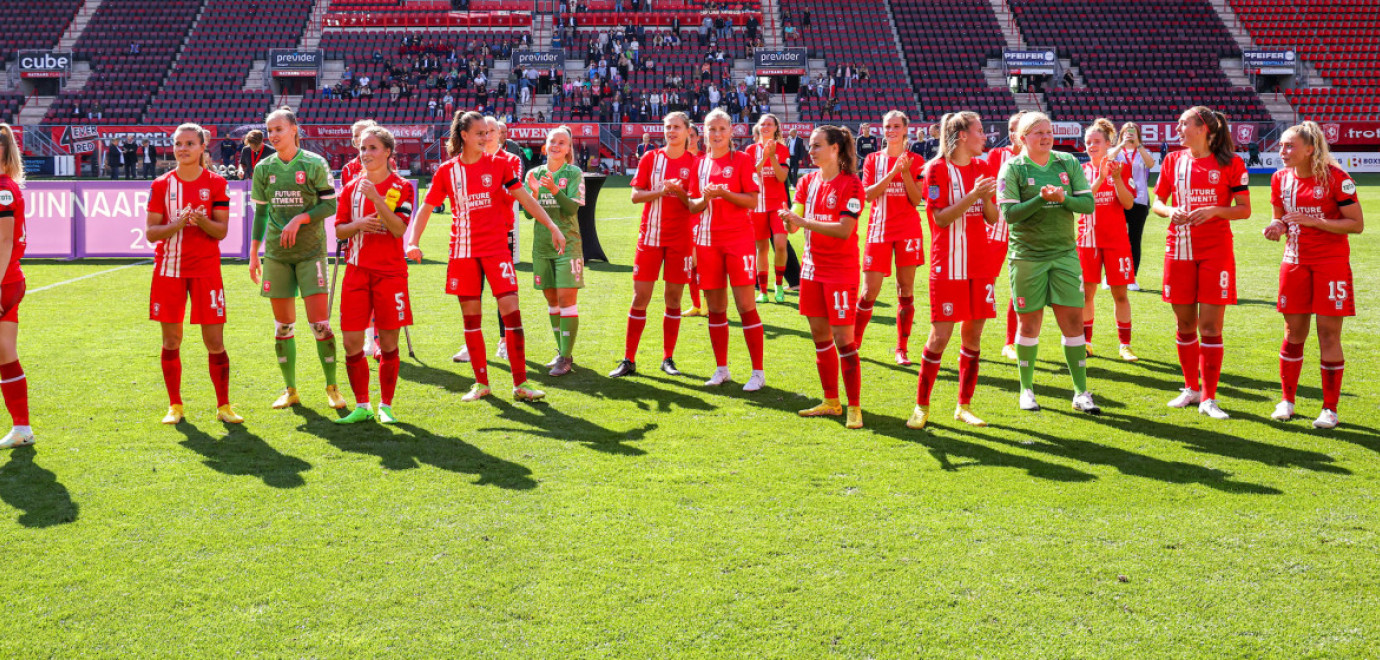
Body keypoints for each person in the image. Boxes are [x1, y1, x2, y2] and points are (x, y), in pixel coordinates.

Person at [406, 111, 566, 402]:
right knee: (472, 320)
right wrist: (413, 241)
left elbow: (525, 198)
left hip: (496, 249)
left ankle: (520, 385)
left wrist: (552, 225)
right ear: (464, 136)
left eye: (488, 133)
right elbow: (426, 208)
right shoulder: (446, 171)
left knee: (512, 312)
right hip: (463, 253)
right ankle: (482, 384)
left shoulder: (500, 165)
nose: (486, 137)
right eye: (480, 133)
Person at [1150, 106, 1251, 420]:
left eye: (1184, 123)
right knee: (1184, 324)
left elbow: (1244, 209)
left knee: (1210, 327)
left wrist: (1216, 211)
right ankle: (1191, 389)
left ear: (1204, 128)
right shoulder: (1172, 161)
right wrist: (1170, 212)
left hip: (1215, 252)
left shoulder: (1231, 162)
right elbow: (1157, 202)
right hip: (1178, 250)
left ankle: (1209, 397)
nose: (1178, 128)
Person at [997, 112, 1100, 414]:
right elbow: (1010, 215)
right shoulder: (1012, 168)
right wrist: (1041, 200)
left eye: (1049, 130)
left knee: (1073, 322)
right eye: (1037, 132)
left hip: (1065, 255)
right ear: (1022, 137)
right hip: (1027, 257)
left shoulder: (1067, 162)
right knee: (1029, 324)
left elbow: (1087, 204)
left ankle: (1081, 392)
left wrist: (1062, 198)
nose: (1045, 136)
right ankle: (1026, 389)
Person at [1264, 121, 1363, 429]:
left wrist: (1313, 222)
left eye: (1289, 146)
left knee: (1328, 335)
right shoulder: (1279, 178)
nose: (1283, 151)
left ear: (1310, 149)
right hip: (1293, 263)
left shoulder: (1337, 178)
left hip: (1330, 264)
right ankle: (1287, 401)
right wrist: (1277, 226)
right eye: (1281, 145)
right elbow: (1280, 216)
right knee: (1293, 334)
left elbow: (1356, 224)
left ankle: (1329, 409)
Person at [248, 107, 345, 410]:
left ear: (294, 130)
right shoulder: (263, 168)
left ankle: (332, 387)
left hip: (310, 253)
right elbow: (262, 211)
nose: (273, 135)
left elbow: (330, 206)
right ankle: (290, 390)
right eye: (270, 131)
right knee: (283, 326)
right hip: (276, 254)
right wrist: (254, 251)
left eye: (279, 129)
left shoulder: (314, 163)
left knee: (320, 325)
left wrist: (301, 218)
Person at [907, 112, 998, 429]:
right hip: (947, 265)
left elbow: (992, 217)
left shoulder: (983, 167)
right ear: (961, 136)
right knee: (939, 337)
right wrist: (973, 195)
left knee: (973, 335)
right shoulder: (935, 169)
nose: (984, 136)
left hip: (979, 263)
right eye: (980, 130)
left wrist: (985, 199)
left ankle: (964, 406)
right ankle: (921, 406)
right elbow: (941, 219)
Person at [146, 124, 240, 425]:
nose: (182, 149)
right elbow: (151, 233)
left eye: (189, 143)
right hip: (169, 271)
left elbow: (221, 231)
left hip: (205, 271)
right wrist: (176, 225)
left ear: (202, 147)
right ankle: (175, 405)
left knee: (214, 341)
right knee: (171, 340)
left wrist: (201, 221)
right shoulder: (161, 185)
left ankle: (224, 406)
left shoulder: (216, 183)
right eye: (178, 143)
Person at [780, 126, 866, 429]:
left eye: (817, 146)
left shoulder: (852, 184)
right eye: (810, 146)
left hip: (840, 271)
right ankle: (831, 400)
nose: (811, 151)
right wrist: (789, 219)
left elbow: (845, 230)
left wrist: (803, 221)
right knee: (820, 338)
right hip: (811, 270)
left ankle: (854, 406)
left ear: (835, 150)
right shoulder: (805, 182)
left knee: (844, 340)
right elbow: (795, 223)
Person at [333, 126, 414, 424]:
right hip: (356, 272)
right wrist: (358, 224)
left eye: (373, 148)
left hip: (390, 274)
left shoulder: (402, 187)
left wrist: (377, 199)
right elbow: (340, 230)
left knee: (389, 344)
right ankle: (362, 405)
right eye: (363, 149)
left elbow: (398, 229)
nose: (366, 154)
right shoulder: (351, 188)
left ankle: (386, 406)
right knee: (351, 342)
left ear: (388, 152)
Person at [613, 112, 700, 378]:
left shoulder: (695, 164)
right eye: (667, 127)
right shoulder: (651, 158)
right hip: (649, 238)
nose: (671, 131)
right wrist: (661, 191)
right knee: (640, 297)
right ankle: (628, 359)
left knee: (673, 299)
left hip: (681, 239)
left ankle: (668, 358)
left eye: (676, 127)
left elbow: (696, 205)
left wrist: (680, 192)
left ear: (687, 132)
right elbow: (635, 196)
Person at [688, 109, 764, 390]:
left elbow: (752, 201)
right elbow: (693, 205)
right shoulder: (699, 164)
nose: (717, 134)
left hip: (738, 240)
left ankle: (758, 372)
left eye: (722, 129)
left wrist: (725, 194)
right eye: (711, 129)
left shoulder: (743, 160)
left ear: (731, 131)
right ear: (704, 132)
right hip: (707, 242)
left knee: (745, 306)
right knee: (716, 309)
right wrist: (704, 199)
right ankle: (722, 369)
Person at [856, 110, 925, 365]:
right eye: (887, 126)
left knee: (905, 290)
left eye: (896, 126)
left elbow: (917, 199)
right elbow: (869, 195)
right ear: (882, 130)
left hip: (907, 230)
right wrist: (893, 171)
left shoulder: (916, 160)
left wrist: (905, 172)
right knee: (868, 292)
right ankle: (855, 342)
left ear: (905, 129)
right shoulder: (873, 159)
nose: (891, 130)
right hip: (879, 229)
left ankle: (901, 349)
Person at [523, 126, 586, 377]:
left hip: (568, 245)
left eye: (562, 142)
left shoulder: (573, 173)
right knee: (551, 299)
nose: (557, 145)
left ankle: (565, 357)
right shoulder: (534, 173)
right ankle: (560, 349)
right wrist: (536, 192)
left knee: (566, 300)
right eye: (553, 141)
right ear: (545, 146)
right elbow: (528, 213)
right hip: (542, 247)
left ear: (569, 149)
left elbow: (571, 210)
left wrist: (555, 190)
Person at [1078, 118, 1138, 361]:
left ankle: (1124, 345)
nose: (1092, 146)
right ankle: (1085, 342)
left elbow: (1128, 203)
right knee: (1086, 294)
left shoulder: (1121, 168)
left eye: (1096, 142)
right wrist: (1101, 178)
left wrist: (1115, 178)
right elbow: (1082, 201)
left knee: (1120, 294)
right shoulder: (1080, 171)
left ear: (1108, 143)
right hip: (1087, 240)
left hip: (1116, 241)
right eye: (1088, 142)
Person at [0, 125, 32, 448]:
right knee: (5, 352)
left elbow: (5, 240)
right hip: (9, 279)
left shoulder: (2, 188)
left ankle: (22, 426)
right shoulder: (6, 186)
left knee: (5, 352)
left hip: (4, 280)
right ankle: (21, 428)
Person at [985, 111, 1025, 360]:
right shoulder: (997, 155)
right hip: (996, 229)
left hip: (1025, 232)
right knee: (984, 284)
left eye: (1018, 128)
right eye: (1011, 128)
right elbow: (988, 189)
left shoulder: (1042, 159)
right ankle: (971, 340)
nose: (1013, 133)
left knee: (1018, 287)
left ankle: (1011, 342)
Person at [742, 114, 790, 304]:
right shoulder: (750, 149)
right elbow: (749, 176)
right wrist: (763, 159)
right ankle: (763, 291)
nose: (766, 127)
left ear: (776, 128)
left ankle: (779, 286)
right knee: (760, 248)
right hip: (757, 205)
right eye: (763, 124)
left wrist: (773, 158)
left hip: (778, 204)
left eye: (770, 124)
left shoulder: (783, 149)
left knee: (780, 244)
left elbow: (782, 177)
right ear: (758, 128)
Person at [1113, 121, 1154, 289]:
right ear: (1121, 134)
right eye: (1126, 132)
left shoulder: (1143, 152)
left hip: (1139, 200)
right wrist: (1121, 144)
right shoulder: (1116, 152)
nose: (1130, 134)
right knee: (1115, 240)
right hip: (1119, 199)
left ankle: (1132, 277)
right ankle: (1111, 275)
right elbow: (1105, 160)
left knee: (1134, 240)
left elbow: (1151, 164)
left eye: (1133, 132)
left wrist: (1139, 146)